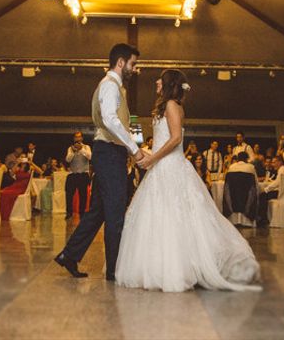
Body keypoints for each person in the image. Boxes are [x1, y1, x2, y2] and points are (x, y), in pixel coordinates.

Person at [115, 69, 261, 292]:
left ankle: (180, 269)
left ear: (168, 84)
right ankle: (158, 267)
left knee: (176, 217)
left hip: (172, 168)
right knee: (159, 217)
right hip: (161, 168)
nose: (156, 81)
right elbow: (163, 141)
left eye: (159, 79)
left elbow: (175, 139)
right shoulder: (165, 107)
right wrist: (145, 153)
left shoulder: (173, 106)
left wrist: (153, 158)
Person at [55, 43, 145, 281]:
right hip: (109, 153)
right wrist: (134, 149)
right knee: (115, 214)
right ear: (121, 62)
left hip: (108, 154)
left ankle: (69, 255)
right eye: (133, 64)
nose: (135, 69)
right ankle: (115, 271)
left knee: (98, 212)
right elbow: (110, 120)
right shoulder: (109, 86)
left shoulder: (114, 87)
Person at [65, 131, 92, 219]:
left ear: (82, 138)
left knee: (83, 195)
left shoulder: (86, 147)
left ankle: (82, 213)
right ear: (74, 139)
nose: (77, 139)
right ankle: (69, 212)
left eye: (79, 137)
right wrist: (73, 152)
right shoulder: (70, 148)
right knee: (69, 194)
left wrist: (81, 149)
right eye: (76, 137)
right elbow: (68, 160)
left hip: (83, 174)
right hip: (73, 174)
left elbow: (90, 157)